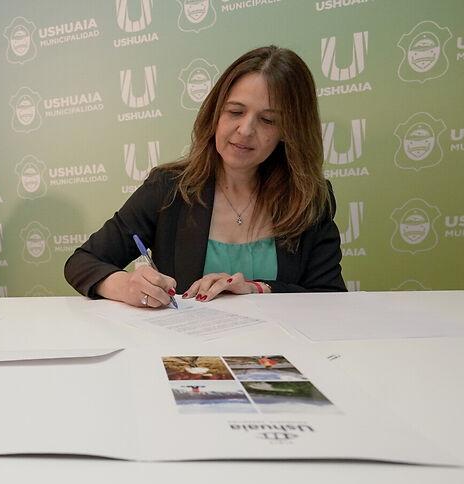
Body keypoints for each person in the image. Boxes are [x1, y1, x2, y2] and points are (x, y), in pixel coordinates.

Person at [65, 46, 346, 308]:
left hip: (278, 354)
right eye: (235, 111)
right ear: (215, 113)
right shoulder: (169, 187)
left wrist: (258, 289)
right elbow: (82, 261)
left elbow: (330, 297)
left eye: (268, 120)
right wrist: (125, 285)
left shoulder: (310, 198)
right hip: (187, 353)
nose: (245, 130)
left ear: (290, 130)